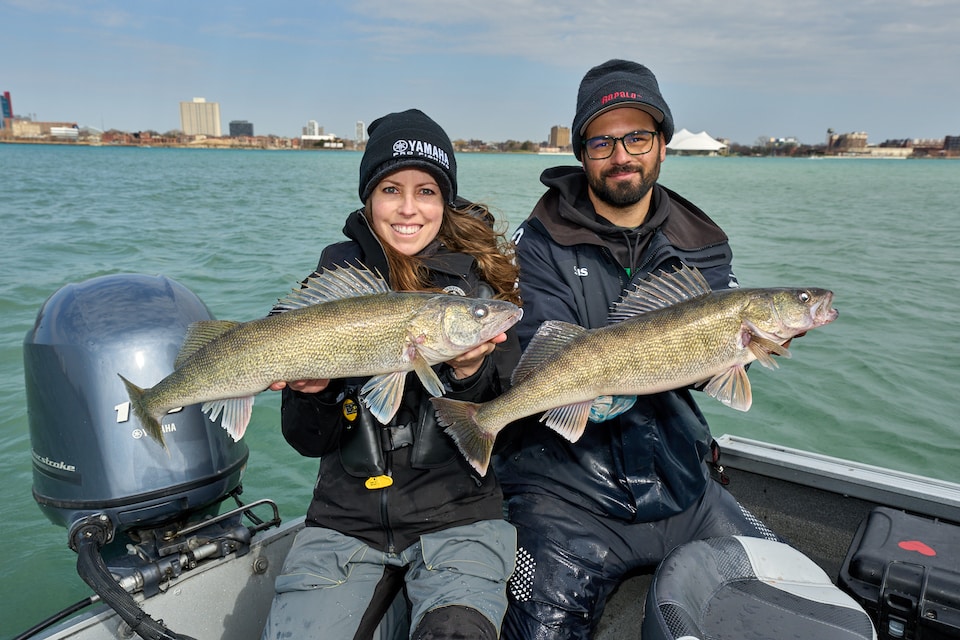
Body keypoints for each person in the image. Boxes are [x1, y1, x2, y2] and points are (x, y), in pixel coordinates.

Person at [494, 60, 779, 639]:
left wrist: (741, 353)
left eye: (637, 137)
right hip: (562, 487)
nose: (621, 154)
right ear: (581, 152)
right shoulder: (536, 242)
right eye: (602, 140)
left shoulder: (704, 242)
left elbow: (708, 372)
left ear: (663, 145)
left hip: (683, 482)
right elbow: (539, 351)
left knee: (783, 590)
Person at [260, 109, 521, 640]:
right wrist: (316, 393)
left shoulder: (481, 292)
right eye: (390, 189)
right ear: (368, 199)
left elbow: (517, 428)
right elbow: (306, 441)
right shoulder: (330, 284)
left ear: (444, 202)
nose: (408, 209)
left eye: (426, 191)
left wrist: (471, 375)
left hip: (458, 517)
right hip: (343, 521)